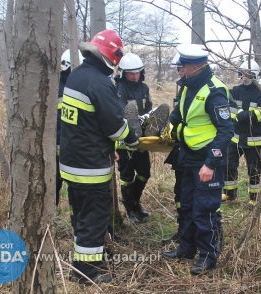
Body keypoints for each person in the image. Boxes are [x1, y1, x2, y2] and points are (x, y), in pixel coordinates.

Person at [60, 29, 139, 284]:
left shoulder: (77, 75)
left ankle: (81, 264)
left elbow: (84, 122)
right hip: (91, 168)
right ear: (113, 57)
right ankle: (87, 275)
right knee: (94, 220)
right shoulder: (101, 83)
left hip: (71, 163)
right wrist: (131, 139)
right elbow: (115, 127)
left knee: (81, 217)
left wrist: (106, 145)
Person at [162, 44, 233, 275]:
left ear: (195, 66)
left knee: (205, 210)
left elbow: (226, 131)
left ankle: (208, 256)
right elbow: (179, 116)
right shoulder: (188, 86)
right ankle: (187, 248)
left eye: (183, 66)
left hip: (207, 160)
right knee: (189, 205)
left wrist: (210, 164)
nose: (180, 70)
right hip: (189, 157)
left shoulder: (214, 91)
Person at [114, 53, 169, 224]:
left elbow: (149, 108)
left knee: (145, 173)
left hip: (142, 141)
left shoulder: (144, 88)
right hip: (124, 140)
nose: (135, 76)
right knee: (127, 176)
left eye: (138, 72)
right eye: (131, 73)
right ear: (123, 73)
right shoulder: (119, 88)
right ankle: (129, 209)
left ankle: (135, 202)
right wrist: (132, 124)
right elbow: (119, 112)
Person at [221, 60, 261, 209]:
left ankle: (253, 199)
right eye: (242, 74)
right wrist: (236, 115)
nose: (244, 77)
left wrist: (245, 116)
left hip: (253, 140)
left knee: (254, 169)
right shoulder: (235, 91)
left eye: (247, 75)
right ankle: (230, 193)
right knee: (229, 165)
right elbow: (227, 109)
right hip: (235, 137)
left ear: (254, 76)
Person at [162, 53, 186, 244]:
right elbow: (175, 118)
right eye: (178, 69)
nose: (179, 72)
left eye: (181, 68)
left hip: (197, 154)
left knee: (193, 195)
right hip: (181, 151)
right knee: (179, 192)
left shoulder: (206, 91)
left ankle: (199, 236)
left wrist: (174, 132)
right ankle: (182, 229)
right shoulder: (183, 90)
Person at [56, 49, 83, 206]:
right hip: (57, 149)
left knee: (76, 193)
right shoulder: (57, 88)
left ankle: (77, 227)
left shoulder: (81, 86)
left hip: (75, 150)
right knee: (53, 188)